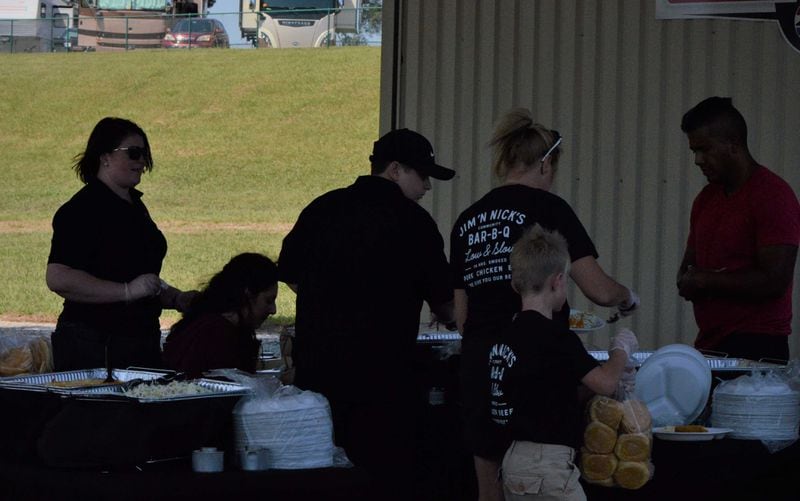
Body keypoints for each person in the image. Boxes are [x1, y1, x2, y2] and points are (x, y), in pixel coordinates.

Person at [449, 108, 639, 501]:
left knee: (490, 490)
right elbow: (599, 291)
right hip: (537, 366)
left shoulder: (466, 221)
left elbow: (463, 315)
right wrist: (626, 297)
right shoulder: (551, 210)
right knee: (543, 478)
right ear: (546, 163)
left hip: (482, 366)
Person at [277, 128, 456, 499]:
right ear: (394, 170)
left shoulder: (322, 207)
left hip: (318, 378)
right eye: (422, 176)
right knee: (380, 478)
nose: (427, 186)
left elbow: (291, 273)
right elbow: (446, 303)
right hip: (385, 382)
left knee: (322, 477)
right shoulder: (415, 223)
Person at [489, 225, 639, 501]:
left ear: (515, 283)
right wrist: (621, 351)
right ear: (558, 281)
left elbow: (548, 393)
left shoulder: (505, 336)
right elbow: (605, 383)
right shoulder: (557, 337)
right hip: (547, 464)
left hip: (513, 460)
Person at [46, 117, 196, 371]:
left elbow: (135, 273)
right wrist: (126, 292)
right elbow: (58, 277)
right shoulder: (83, 210)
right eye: (133, 154)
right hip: (94, 346)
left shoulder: (133, 205)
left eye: (144, 155)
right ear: (104, 157)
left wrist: (175, 297)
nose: (141, 163)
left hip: (135, 340)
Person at [677, 97, 800, 361]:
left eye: (704, 149)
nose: (698, 160)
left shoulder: (773, 195)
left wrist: (706, 280)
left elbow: (775, 280)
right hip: (710, 343)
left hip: (759, 346)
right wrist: (692, 279)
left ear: (732, 143)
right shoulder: (706, 199)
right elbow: (688, 269)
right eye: (693, 152)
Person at [163, 253, 278, 376]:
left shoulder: (214, 323)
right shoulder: (218, 334)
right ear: (248, 295)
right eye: (268, 301)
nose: (273, 310)